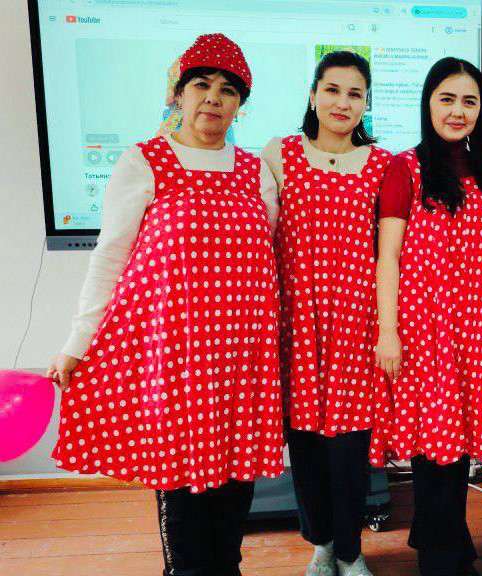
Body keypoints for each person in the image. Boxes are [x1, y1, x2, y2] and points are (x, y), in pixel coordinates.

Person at [47, 33, 284, 576]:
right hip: (177, 363)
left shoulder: (256, 173)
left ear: (240, 104)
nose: (213, 98)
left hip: (242, 364)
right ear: (179, 93)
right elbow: (111, 256)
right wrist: (77, 343)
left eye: (228, 90)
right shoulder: (145, 161)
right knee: (182, 494)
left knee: (235, 488)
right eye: (201, 85)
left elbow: (266, 254)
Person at [371, 57, 482, 576]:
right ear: (428, 103)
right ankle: (442, 559)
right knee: (435, 451)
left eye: (469, 101)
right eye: (447, 99)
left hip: (474, 330)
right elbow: (388, 256)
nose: (458, 111)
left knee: (458, 448)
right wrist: (388, 332)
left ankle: (445, 542)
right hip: (424, 333)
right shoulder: (404, 168)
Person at [262, 50, 392, 576]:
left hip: (357, 326)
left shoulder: (382, 164)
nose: (343, 102)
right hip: (298, 323)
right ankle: (320, 543)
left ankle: (350, 550)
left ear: (366, 103)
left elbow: (389, 252)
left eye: (355, 93)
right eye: (332, 89)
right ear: (313, 94)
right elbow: (262, 236)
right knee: (306, 445)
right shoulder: (279, 154)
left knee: (350, 448)